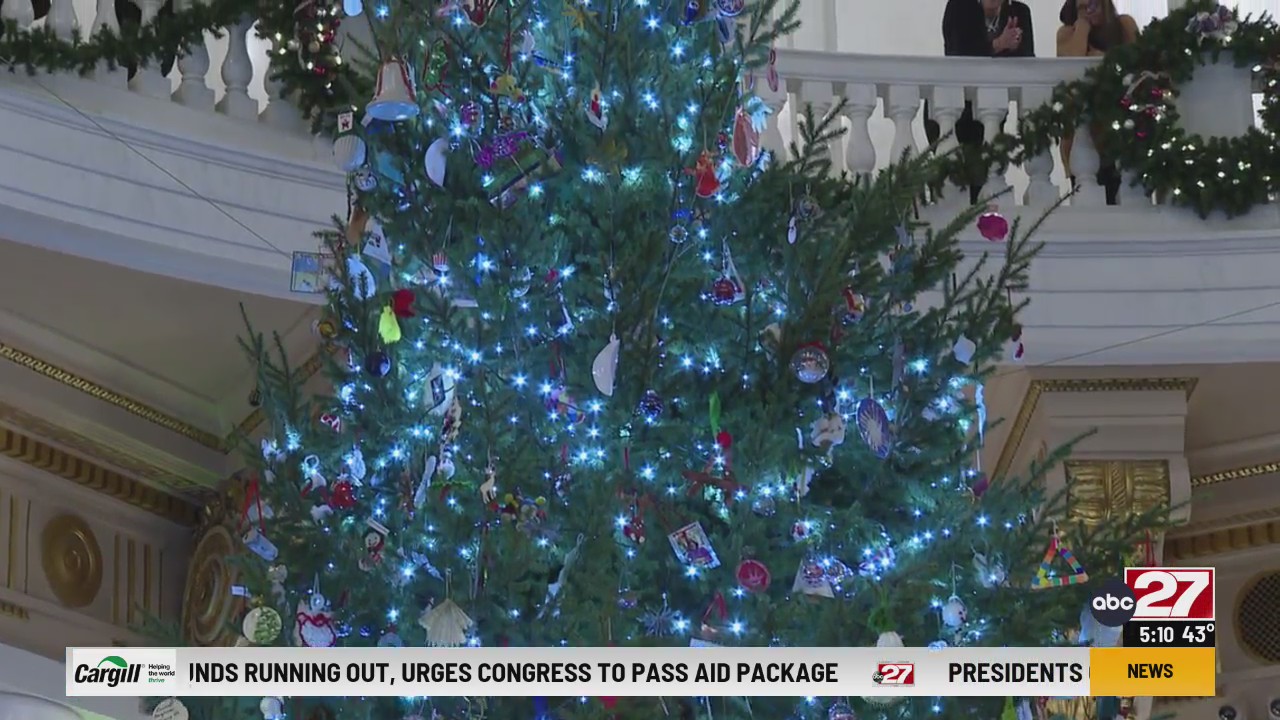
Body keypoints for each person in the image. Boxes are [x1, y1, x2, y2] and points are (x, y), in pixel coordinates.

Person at [926, 0, 1035, 202]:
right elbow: (958, 53)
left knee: (985, 181)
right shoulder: (959, 6)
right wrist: (998, 45)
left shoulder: (1018, 12)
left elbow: (1028, 62)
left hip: (991, 112)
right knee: (952, 186)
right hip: (954, 111)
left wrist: (1014, 47)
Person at [1057, 0, 1140, 204]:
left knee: (1122, 197)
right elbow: (1071, 67)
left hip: (1119, 128)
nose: (1088, 11)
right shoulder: (1066, 33)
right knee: (1087, 201)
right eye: (1082, 7)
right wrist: (1082, 29)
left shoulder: (1124, 25)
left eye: (1093, 5)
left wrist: (1106, 58)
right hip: (1081, 138)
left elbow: (1138, 62)